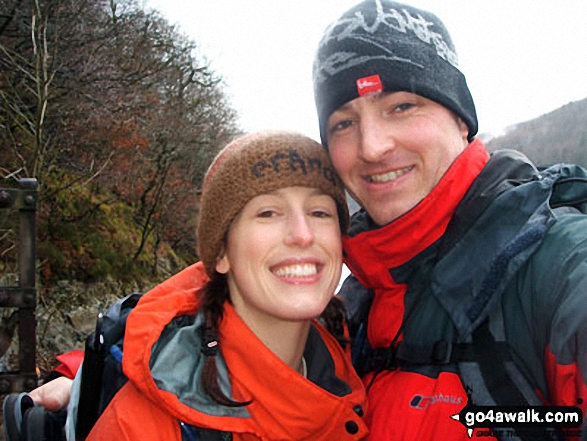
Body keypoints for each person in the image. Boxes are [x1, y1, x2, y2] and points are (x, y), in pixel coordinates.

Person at [312, 1, 587, 440]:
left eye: (401, 106)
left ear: (462, 120)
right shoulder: (353, 303)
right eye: (344, 123)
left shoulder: (562, 269)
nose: (371, 147)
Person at [4, 131, 368, 441]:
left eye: (320, 213)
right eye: (268, 213)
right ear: (221, 254)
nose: (302, 235)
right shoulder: (143, 426)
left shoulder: (358, 365)